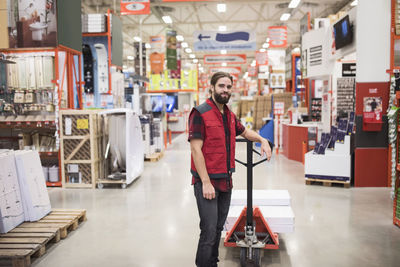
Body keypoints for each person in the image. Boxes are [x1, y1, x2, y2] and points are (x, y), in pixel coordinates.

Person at [188, 72, 272, 267]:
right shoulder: (199, 112)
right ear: (212, 88)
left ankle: (212, 262)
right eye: (221, 86)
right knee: (208, 231)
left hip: (226, 181)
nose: (225, 90)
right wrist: (206, 182)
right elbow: (195, 149)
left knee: (218, 228)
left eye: (228, 87)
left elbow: (244, 131)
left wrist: (262, 139)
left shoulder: (229, 115)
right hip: (207, 183)